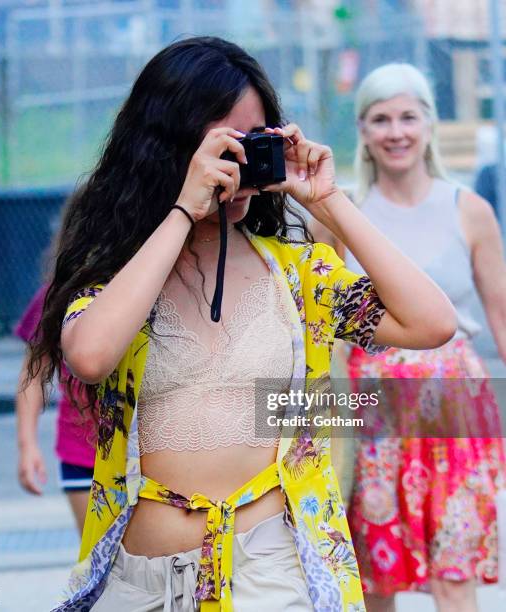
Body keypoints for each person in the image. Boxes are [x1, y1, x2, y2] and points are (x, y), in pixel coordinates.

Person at [28, 38, 456, 612]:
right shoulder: (113, 273)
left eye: (253, 141)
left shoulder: (297, 274)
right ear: (167, 148)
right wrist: (184, 209)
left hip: (275, 572)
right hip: (147, 581)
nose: (237, 162)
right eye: (219, 144)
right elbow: (91, 355)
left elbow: (431, 322)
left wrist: (329, 203)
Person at [344, 63, 506, 612]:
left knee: (454, 570)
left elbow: (502, 320)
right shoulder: (341, 216)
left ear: (429, 124)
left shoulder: (471, 211)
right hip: (372, 412)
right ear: (363, 131)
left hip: (456, 412)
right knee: (375, 575)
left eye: (408, 116)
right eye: (380, 119)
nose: (396, 132)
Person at [15, 284, 96, 534]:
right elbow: (33, 376)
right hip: (84, 452)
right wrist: (27, 445)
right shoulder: (60, 290)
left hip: (158, 453)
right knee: (98, 560)